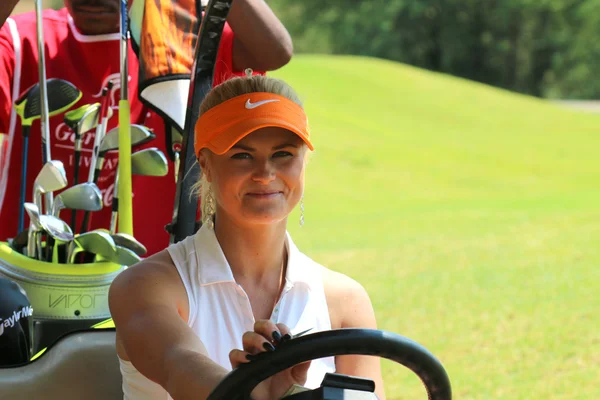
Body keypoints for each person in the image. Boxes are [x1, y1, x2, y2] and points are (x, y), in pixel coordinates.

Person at [108, 73, 386, 400]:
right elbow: (179, 364)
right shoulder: (145, 285)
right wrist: (248, 394)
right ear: (206, 165)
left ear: (303, 162)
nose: (265, 172)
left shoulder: (345, 302)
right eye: (242, 155)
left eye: (283, 153)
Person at [0, 0, 293, 256]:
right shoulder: (24, 37)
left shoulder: (178, 34)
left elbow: (273, 51)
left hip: (153, 275)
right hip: (24, 269)